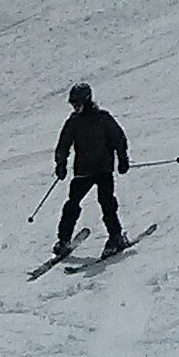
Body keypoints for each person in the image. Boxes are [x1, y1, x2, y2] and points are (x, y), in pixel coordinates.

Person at [54, 83, 128, 254]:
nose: (75, 107)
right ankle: (63, 241)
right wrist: (61, 164)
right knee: (72, 204)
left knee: (107, 203)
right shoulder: (74, 122)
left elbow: (119, 138)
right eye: (73, 103)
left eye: (77, 103)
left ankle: (115, 237)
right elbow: (63, 144)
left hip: (103, 170)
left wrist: (122, 159)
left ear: (87, 100)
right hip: (83, 171)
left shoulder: (102, 118)